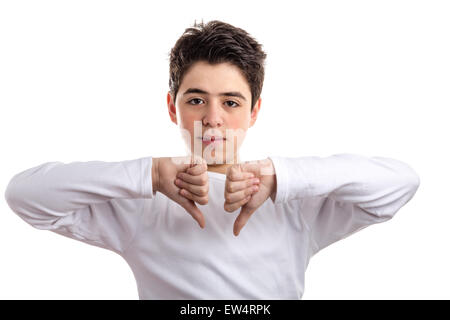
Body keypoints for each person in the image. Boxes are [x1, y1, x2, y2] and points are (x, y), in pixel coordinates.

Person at [4, 20, 420, 299]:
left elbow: (400, 184)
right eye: (197, 99)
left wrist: (281, 177)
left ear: (254, 111)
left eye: (232, 102)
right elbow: (25, 195)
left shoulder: (295, 203)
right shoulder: (139, 206)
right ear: (173, 107)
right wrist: (149, 174)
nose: (213, 119)